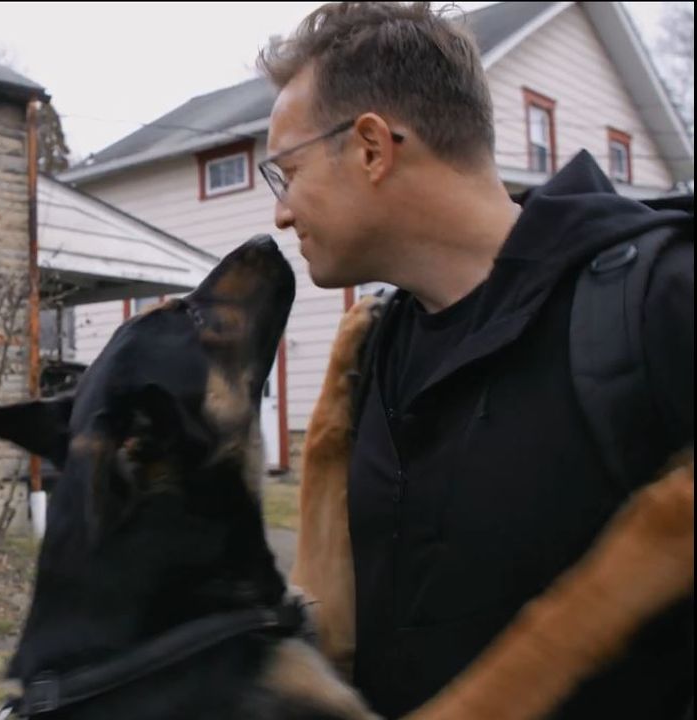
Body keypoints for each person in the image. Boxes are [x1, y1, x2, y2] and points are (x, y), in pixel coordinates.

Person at [257, 3, 693, 718]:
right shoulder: (370, 355)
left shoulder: (657, 300)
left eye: (288, 172)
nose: (280, 213)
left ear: (371, 148)